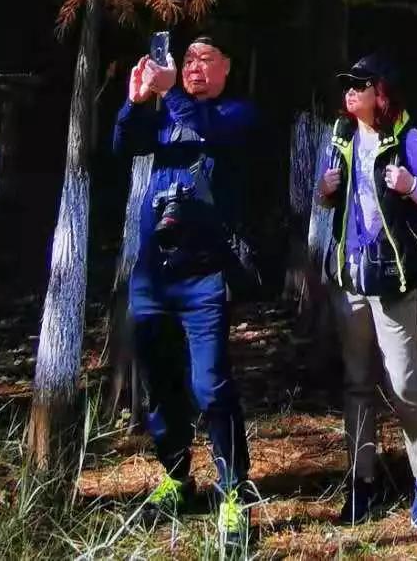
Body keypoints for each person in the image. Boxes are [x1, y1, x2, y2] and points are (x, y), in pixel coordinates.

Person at [113, 31, 258, 553]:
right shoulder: (168, 114)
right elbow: (123, 144)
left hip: (204, 278)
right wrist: (135, 102)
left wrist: (170, 89)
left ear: (226, 68)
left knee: (212, 386)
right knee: (161, 385)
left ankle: (234, 491)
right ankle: (177, 476)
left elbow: (207, 128)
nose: (195, 67)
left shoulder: (236, 114)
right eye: (188, 59)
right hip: (153, 276)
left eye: (206, 59)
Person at [319, 51, 417, 527]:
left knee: (403, 383)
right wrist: (325, 190)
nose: (349, 91)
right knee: (356, 384)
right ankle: (362, 482)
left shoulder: (408, 138)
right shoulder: (340, 137)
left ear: (382, 93)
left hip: (391, 280)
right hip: (349, 277)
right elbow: (324, 197)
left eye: (359, 83)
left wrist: (411, 183)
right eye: (346, 84)